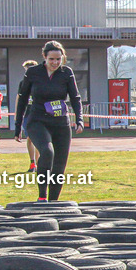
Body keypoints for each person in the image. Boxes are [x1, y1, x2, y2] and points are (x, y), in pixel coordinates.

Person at [14, 41, 84, 202]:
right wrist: (18, 126)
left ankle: (53, 204)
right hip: (38, 120)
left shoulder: (67, 73)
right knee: (47, 152)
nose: (55, 63)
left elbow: (75, 97)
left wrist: (79, 119)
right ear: (44, 57)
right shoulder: (33, 72)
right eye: (51, 59)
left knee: (59, 167)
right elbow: (23, 99)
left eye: (58, 59)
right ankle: (42, 196)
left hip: (60, 123)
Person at [19, 60, 41, 171]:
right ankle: (32, 163)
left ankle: (38, 162)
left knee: (38, 138)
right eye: (26, 70)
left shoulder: (40, 81)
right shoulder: (22, 83)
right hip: (27, 114)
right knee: (30, 138)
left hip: (39, 113)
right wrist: (17, 116)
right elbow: (19, 99)